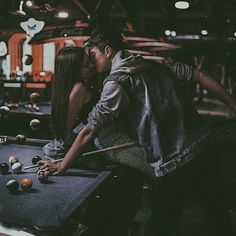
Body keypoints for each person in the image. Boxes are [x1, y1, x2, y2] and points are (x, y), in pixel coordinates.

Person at [39, 28, 236, 235]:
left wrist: (62, 166)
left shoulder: (115, 83)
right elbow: (199, 74)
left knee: (161, 225)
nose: (90, 62)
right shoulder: (153, 63)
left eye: (93, 55)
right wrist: (232, 103)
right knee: (217, 213)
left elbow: (89, 131)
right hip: (205, 141)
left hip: (176, 159)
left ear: (107, 51)